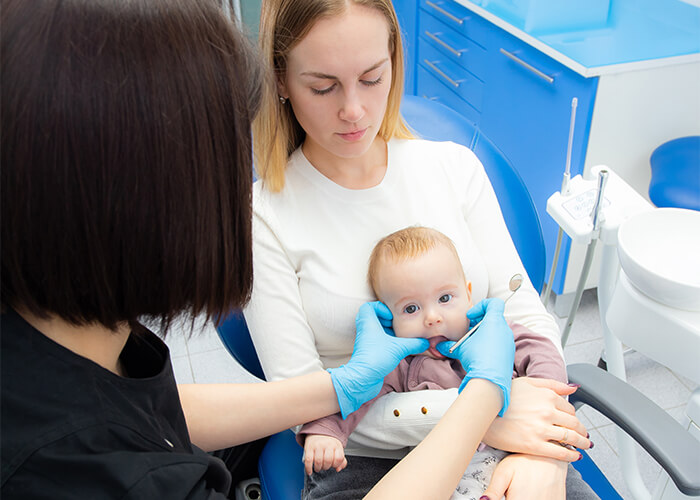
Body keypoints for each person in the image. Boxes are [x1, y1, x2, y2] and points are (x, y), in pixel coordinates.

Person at [1, 1, 518, 499]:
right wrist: (485, 401)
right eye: (224, 163)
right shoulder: (113, 474)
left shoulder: (73, 350)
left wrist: (341, 386)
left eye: (372, 76)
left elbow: (156, 406)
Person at [245, 0, 598, 498]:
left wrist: (541, 451)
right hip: (365, 456)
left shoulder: (454, 169)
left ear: (394, 58)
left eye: (372, 77)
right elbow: (299, 403)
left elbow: (527, 318)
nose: (354, 110)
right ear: (280, 80)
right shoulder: (264, 215)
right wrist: (480, 416)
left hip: (509, 432)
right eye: (323, 86)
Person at [299, 226, 570, 499]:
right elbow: (355, 396)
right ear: (388, 317)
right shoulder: (400, 364)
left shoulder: (494, 333)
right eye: (411, 309)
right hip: (447, 475)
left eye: (444, 298)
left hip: (521, 455)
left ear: (469, 294)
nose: (432, 317)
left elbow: (543, 355)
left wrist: (546, 400)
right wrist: (326, 432)